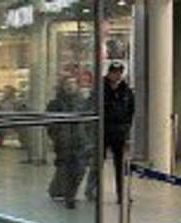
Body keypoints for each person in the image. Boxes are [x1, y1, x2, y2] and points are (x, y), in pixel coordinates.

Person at [88, 62, 135, 203]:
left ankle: (121, 194)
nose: (117, 75)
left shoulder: (126, 91)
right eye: (114, 72)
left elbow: (131, 111)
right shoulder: (100, 88)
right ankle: (91, 190)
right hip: (102, 131)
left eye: (119, 72)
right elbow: (92, 107)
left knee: (120, 166)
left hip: (119, 133)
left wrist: (126, 129)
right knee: (97, 163)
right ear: (109, 73)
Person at [47, 76, 95, 209]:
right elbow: (50, 124)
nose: (70, 86)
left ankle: (67, 193)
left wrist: (88, 138)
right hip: (64, 143)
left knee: (78, 170)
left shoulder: (82, 103)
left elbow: (89, 121)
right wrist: (56, 136)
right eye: (67, 83)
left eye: (73, 83)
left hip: (80, 142)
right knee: (66, 170)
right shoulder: (55, 104)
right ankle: (67, 195)